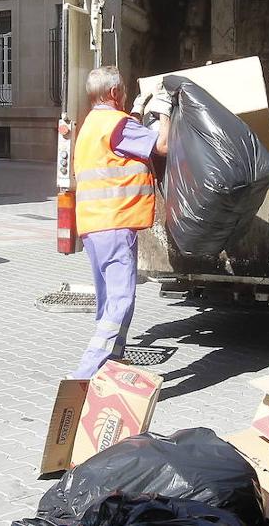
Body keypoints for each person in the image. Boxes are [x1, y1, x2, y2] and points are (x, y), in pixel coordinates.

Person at [70, 66, 172, 379]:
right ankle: (85, 377)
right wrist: (165, 110)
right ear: (115, 93)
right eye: (124, 91)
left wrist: (139, 109)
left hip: (93, 227)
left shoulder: (93, 124)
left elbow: (126, 141)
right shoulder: (118, 124)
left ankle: (109, 371)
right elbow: (162, 146)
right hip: (115, 224)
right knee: (120, 301)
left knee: (107, 304)